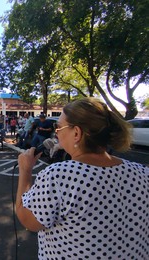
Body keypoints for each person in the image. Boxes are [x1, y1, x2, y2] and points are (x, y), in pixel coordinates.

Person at [16, 97, 149, 259]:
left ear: (77, 133)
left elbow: (27, 219)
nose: (56, 132)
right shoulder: (143, 173)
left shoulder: (59, 176)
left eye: (58, 127)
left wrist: (25, 170)